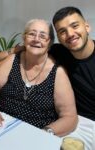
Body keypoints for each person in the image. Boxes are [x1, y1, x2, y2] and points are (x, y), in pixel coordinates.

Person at [0, 19, 77, 137]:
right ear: (24, 38)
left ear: (49, 42)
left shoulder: (58, 73)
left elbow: (70, 118)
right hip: (0, 128)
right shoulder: (12, 60)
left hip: (36, 134)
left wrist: (44, 133)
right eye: (32, 34)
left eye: (42, 36)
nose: (36, 39)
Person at [51, 6, 95, 150]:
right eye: (62, 31)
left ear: (87, 27)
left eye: (74, 26)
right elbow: (29, 48)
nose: (70, 34)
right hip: (73, 121)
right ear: (58, 38)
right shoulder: (59, 52)